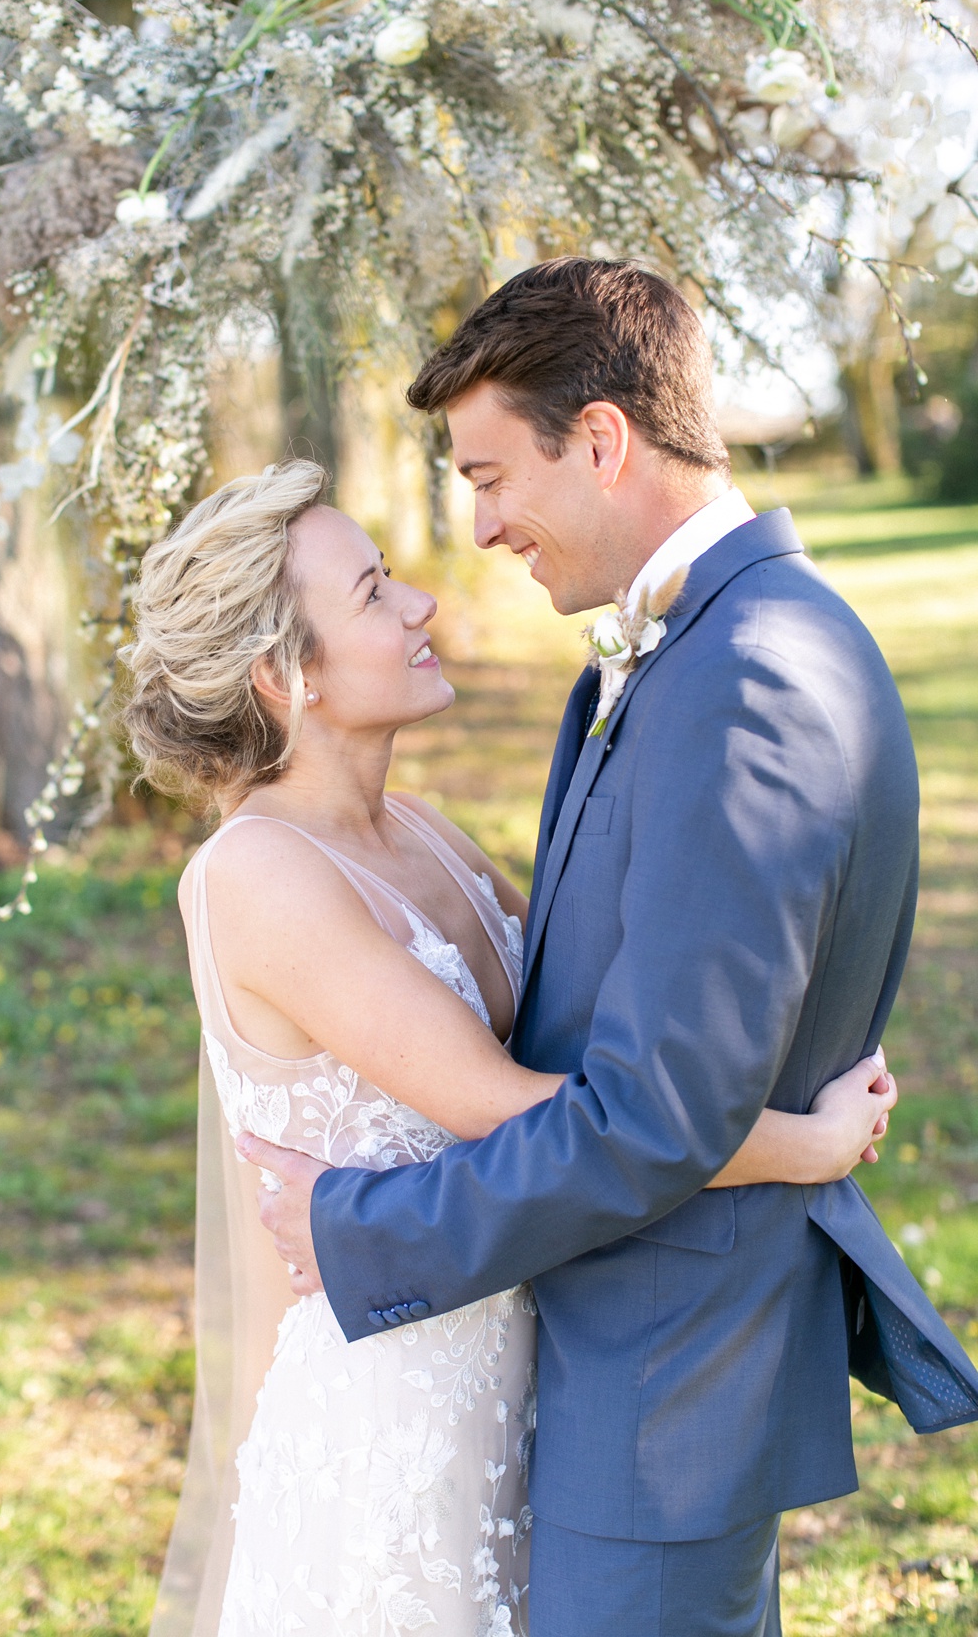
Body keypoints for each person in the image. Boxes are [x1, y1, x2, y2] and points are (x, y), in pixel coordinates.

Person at [239, 259, 978, 1637]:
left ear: (603, 439)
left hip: (661, 1390)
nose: (483, 525)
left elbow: (650, 1117)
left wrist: (357, 1227)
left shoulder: (743, 677)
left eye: (491, 474)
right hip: (616, 1372)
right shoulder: (676, 656)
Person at [121, 442, 899, 1637]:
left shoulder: (423, 832)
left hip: (539, 1378)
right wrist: (804, 1144)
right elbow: (524, 1107)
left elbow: (606, 1034)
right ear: (287, 676)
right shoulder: (257, 876)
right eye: (375, 592)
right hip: (397, 1429)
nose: (423, 600)